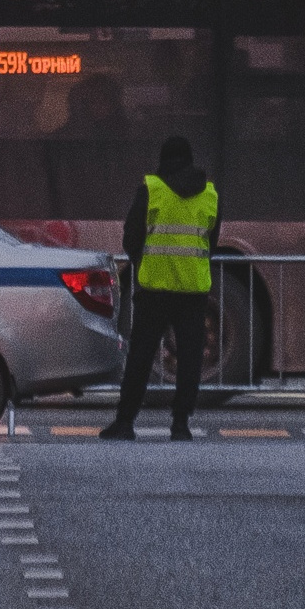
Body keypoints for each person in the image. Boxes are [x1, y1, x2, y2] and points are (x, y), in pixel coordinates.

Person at [100, 135, 220, 442]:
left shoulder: (151, 190)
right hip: (193, 291)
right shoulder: (209, 194)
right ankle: (180, 425)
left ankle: (125, 423)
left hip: (154, 290)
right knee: (190, 358)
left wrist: (144, 261)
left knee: (140, 356)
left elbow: (131, 238)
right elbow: (211, 242)